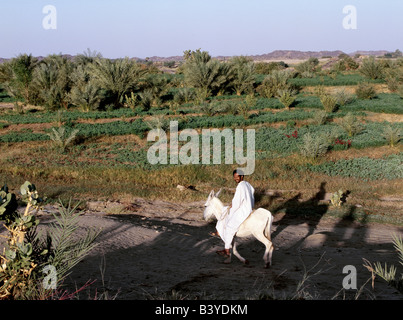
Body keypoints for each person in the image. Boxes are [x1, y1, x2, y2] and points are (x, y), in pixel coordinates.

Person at [212, 169, 255, 258]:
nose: (236, 179)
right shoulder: (248, 185)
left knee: (229, 226)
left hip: (242, 209)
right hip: (248, 207)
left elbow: (237, 201)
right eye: (234, 177)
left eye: (237, 177)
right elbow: (252, 194)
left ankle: (227, 250)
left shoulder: (240, 186)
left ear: (242, 176)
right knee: (225, 212)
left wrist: (232, 207)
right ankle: (221, 236)